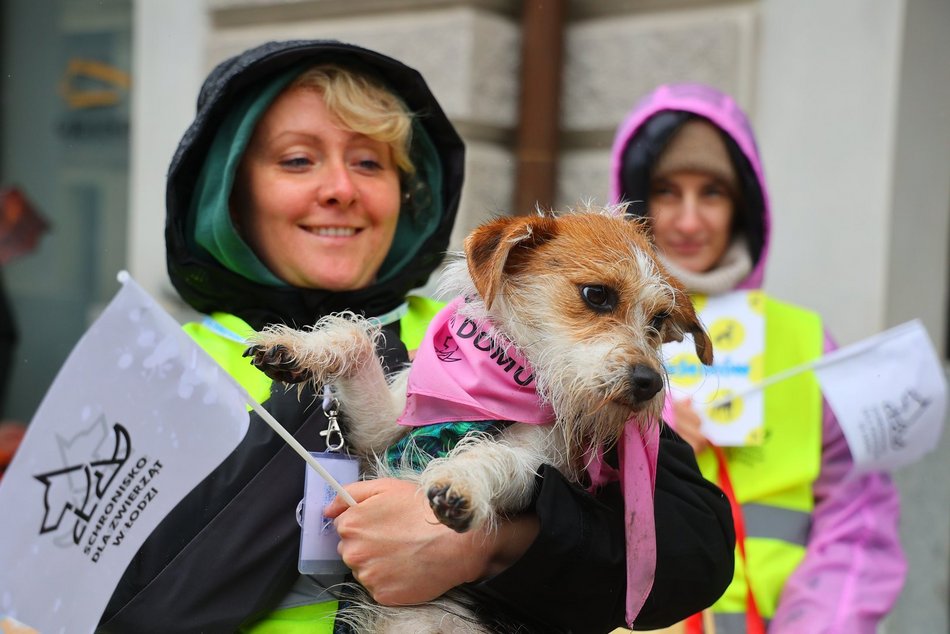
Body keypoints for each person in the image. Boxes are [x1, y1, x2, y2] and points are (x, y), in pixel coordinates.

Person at [97, 42, 735, 634]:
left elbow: (693, 553)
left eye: (369, 162)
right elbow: (88, 572)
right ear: (231, 191)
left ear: (407, 192)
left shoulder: (493, 332)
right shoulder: (164, 362)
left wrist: (487, 546)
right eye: (298, 159)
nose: (339, 189)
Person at [610, 82, 907, 633]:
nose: (690, 220)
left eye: (713, 192)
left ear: (743, 202)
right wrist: (651, 435)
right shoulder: (592, 329)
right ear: (637, 200)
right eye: (668, 191)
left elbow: (859, 519)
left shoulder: (805, 340)